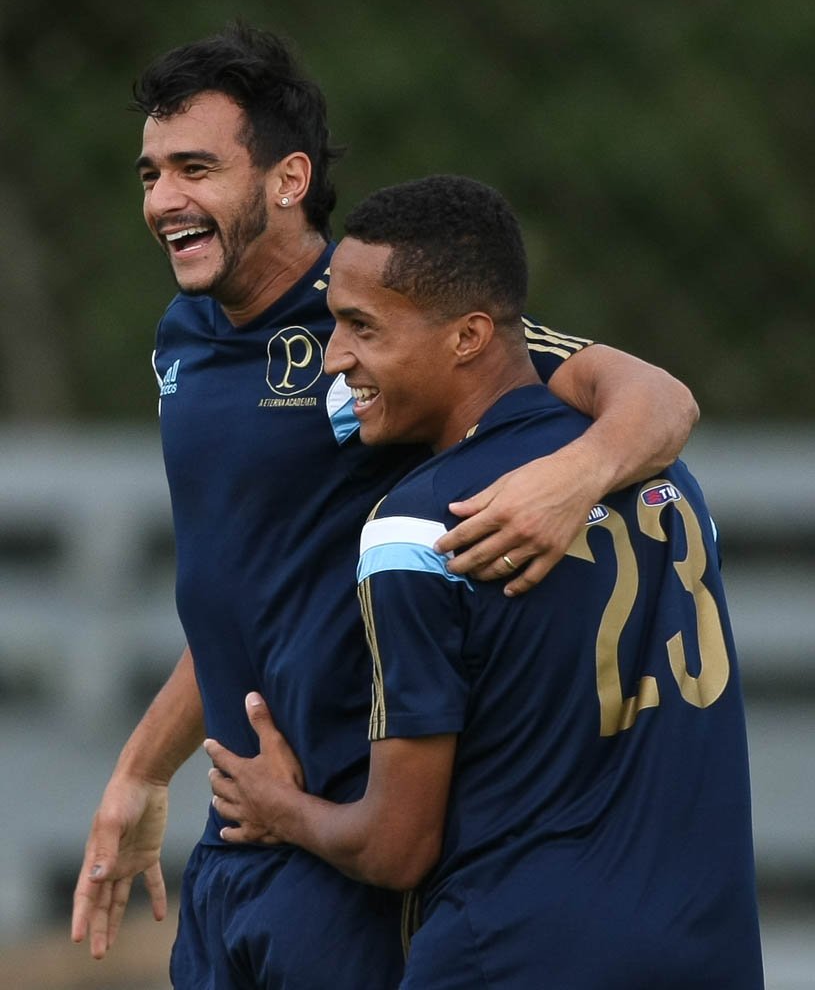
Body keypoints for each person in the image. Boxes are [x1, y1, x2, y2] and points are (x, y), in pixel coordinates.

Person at [70, 23, 700, 989]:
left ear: (285, 180)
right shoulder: (183, 336)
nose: (162, 201)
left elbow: (657, 398)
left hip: (351, 855)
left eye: (194, 168)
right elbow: (246, 593)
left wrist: (570, 478)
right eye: (150, 173)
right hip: (239, 836)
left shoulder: (380, 316)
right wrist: (143, 769)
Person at [205, 174, 764, 989]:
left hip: (507, 953)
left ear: (467, 337)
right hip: (707, 951)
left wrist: (278, 809)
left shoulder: (419, 527)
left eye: (362, 327)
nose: (336, 358)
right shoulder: (668, 481)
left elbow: (397, 847)